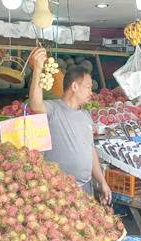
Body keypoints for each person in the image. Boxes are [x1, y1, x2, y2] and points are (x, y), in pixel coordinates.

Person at [28, 47, 112, 205]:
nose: (91, 92)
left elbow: (90, 150)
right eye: (88, 87)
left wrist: (102, 181)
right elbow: (35, 104)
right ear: (74, 87)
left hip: (85, 189)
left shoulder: (86, 116)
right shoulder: (54, 109)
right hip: (57, 191)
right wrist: (38, 70)